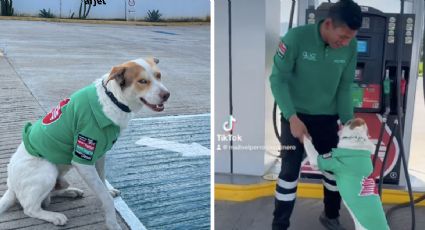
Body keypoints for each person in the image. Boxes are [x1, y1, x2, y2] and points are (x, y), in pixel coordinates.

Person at [269, 0, 362, 229]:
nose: (345, 43)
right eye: (342, 37)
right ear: (328, 24)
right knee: (289, 173)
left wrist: (350, 124)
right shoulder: (296, 38)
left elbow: (344, 87)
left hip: (327, 120)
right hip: (294, 118)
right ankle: (279, 225)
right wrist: (292, 117)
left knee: (333, 172)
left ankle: (330, 216)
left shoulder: (350, 47)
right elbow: (277, 79)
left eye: (350, 38)